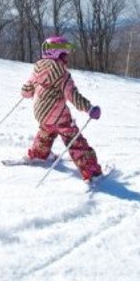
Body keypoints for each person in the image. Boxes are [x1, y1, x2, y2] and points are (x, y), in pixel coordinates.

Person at [20, 36, 104, 181]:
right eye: (65, 54)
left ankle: (39, 154)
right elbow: (72, 95)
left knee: (46, 132)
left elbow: (26, 90)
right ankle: (90, 169)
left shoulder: (37, 70)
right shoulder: (63, 75)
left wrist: (27, 91)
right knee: (75, 141)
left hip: (41, 113)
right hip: (60, 116)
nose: (67, 59)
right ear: (58, 54)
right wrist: (89, 109)